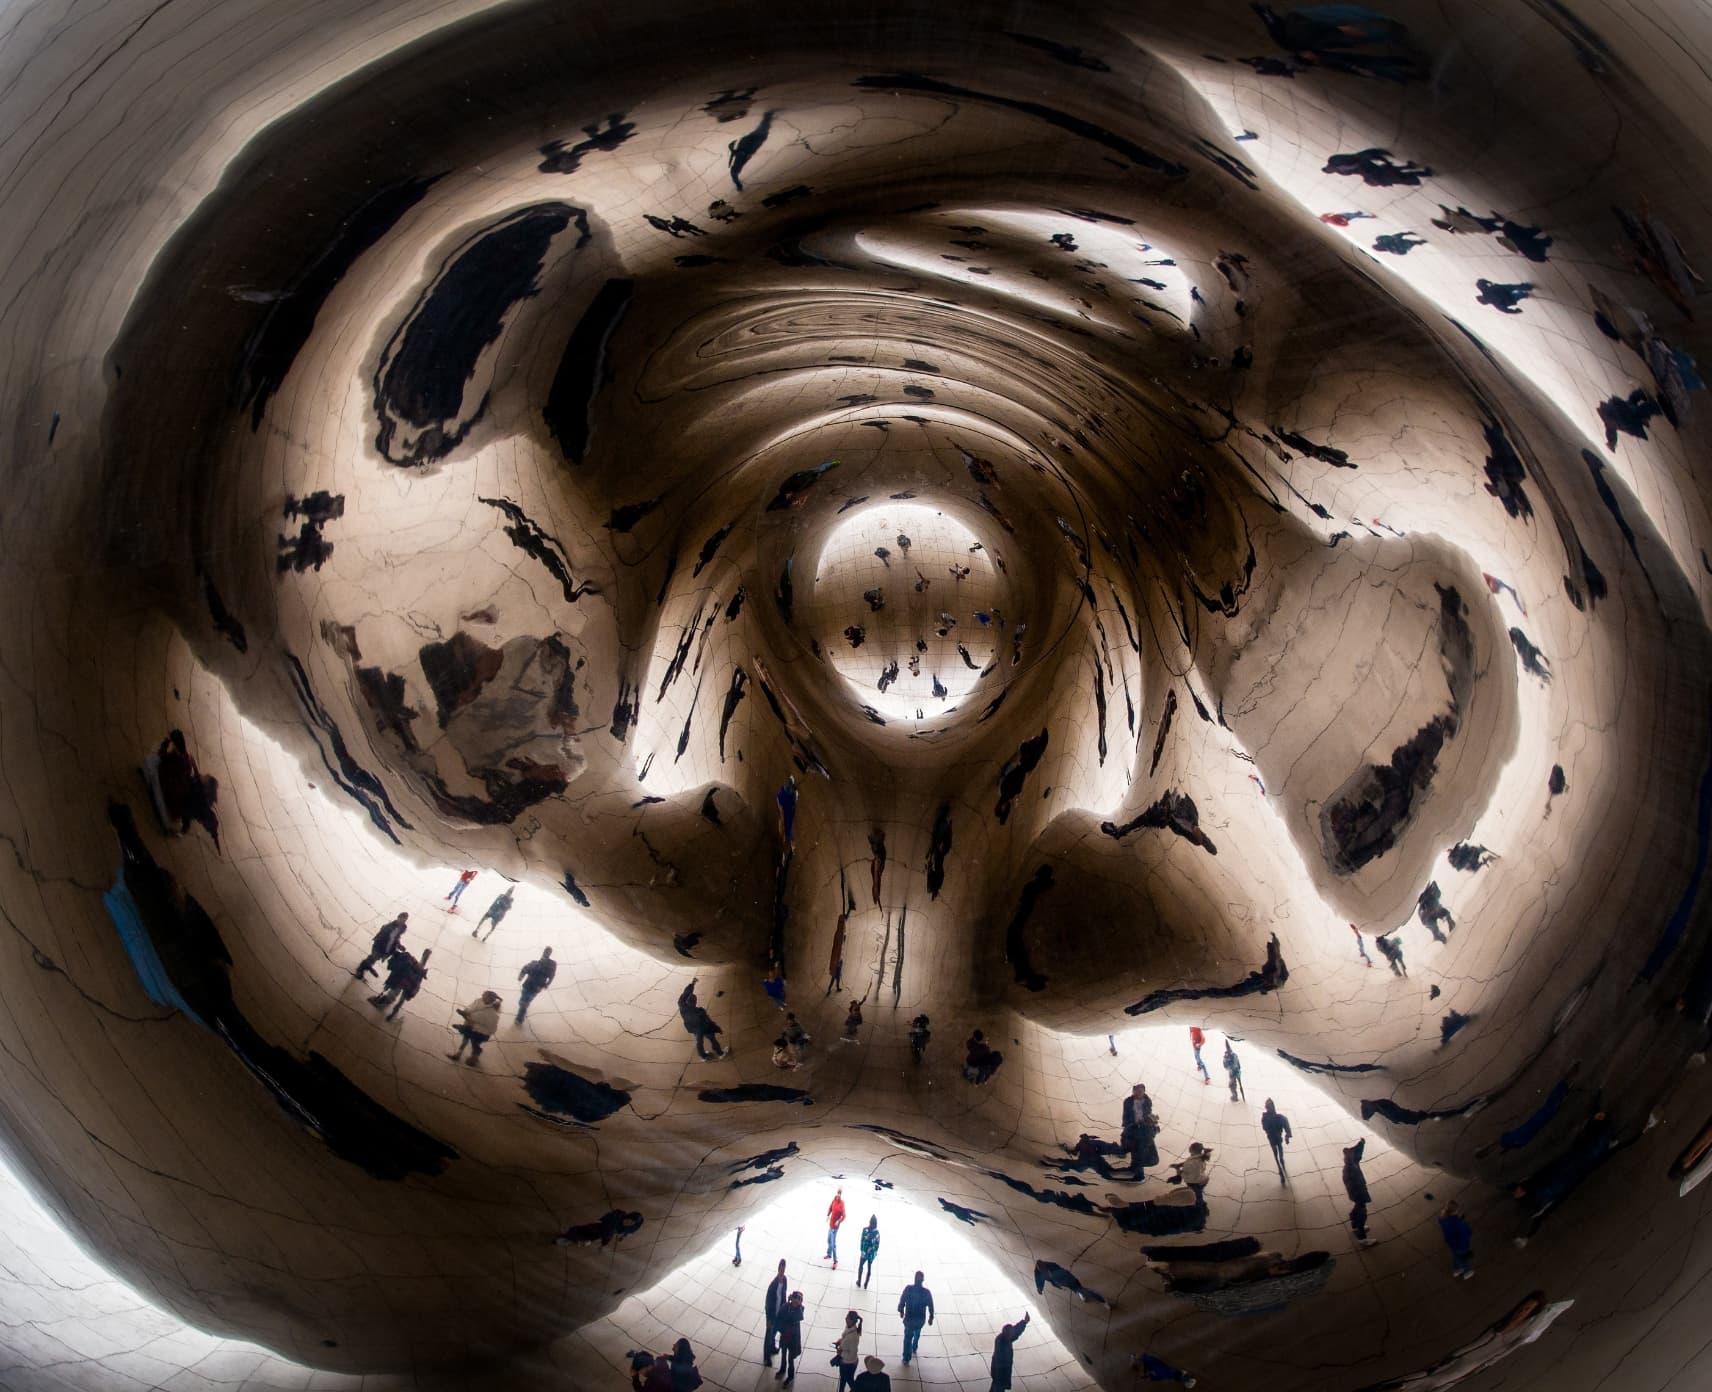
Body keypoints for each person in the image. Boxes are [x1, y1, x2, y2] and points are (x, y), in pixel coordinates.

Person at [369, 946, 431, 1021]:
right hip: (410, 983)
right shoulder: (417, 967)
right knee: (400, 999)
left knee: (395, 993)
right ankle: (392, 1013)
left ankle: (385, 1005)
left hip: (405, 980)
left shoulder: (410, 963)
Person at [446, 990, 501, 1065]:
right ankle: (460, 1053)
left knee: (473, 1041)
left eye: (484, 995)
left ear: (489, 999)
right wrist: (466, 1012)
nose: (482, 995)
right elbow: (470, 1008)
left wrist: (472, 1023)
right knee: (466, 1038)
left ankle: (474, 1056)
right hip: (470, 1025)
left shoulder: (492, 1013)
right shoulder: (479, 1001)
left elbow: (491, 1029)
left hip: (482, 1034)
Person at [353, 912, 408, 979]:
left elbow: (395, 939)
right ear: (398, 917)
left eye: (404, 920)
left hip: (386, 949)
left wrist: (399, 945)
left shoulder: (399, 930)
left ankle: (366, 967)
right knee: (373, 957)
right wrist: (380, 947)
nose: (402, 921)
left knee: (374, 959)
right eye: (401, 919)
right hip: (380, 946)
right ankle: (360, 970)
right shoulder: (389, 927)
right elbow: (383, 937)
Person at [1121, 1084, 1158, 1179]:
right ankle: (1134, 1167)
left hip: (1144, 1131)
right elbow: (1126, 1116)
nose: (1139, 1094)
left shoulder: (1147, 1101)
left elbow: (1148, 1114)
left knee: (1141, 1151)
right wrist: (1131, 1124)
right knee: (1134, 1149)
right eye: (1137, 1091)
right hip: (1133, 1128)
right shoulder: (1128, 1101)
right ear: (1133, 1091)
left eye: (1141, 1092)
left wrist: (1149, 1121)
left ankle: (1139, 1173)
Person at [897, 1270, 935, 1364]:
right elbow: (931, 1305)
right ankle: (914, 1347)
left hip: (909, 1319)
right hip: (920, 1320)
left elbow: (902, 1300)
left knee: (908, 1338)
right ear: (923, 1280)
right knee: (917, 1333)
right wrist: (931, 1317)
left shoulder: (908, 1289)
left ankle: (906, 1358)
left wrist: (901, 1310)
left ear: (914, 1279)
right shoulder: (926, 1292)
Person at [1343, 1139, 1376, 1245]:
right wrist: (1361, 1196)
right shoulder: (1351, 1170)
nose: (1357, 1157)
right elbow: (1354, 1186)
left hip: (1356, 1194)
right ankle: (1362, 1238)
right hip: (1358, 1194)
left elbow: (1357, 1154)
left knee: (1357, 1209)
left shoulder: (1350, 1164)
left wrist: (1361, 1144)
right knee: (1362, 1214)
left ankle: (1355, 1226)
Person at [988, 1313, 1031, 1392]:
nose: (1013, 1334)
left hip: (999, 1377)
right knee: (997, 1389)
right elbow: (1015, 1332)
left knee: (995, 1388)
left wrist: (1024, 1322)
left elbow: (1015, 1331)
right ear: (1008, 1334)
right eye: (1011, 1333)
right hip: (1000, 1377)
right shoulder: (1002, 1343)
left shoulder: (1004, 1338)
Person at [516, 946, 556, 1024]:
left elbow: (551, 975)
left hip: (534, 987)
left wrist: (548, 983)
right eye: (546, 951)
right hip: (531, 986)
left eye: (548, 952)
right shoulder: (536, 963)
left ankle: (519, 1019)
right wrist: (521, 976)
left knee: (524, 1002)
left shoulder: (549, 965)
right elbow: (525, 968)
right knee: (524, 1001)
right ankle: (523, 1009)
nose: (546, 953)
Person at [1439, 1198, 1475, 1278]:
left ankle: (1457, 1270)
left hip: (1452, 1244)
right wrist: (1463, 1222)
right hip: (1461, 1245)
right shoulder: (1458, 1223)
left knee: (1456, 1256)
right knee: (1464, 1259)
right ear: (1454, 1211)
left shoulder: (1443, 1219)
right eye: (1457, 1210)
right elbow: (1466, 1232)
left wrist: (1458, 1219)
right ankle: (1467, 1272)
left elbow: (1450, 1225)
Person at [775, 1290, 805, 1382]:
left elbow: (799, 1317)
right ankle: (782, 1369)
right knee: (783, 1355)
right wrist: (780, 1329)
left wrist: (798, 1306)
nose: (796, 1302)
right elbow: (779, 1316)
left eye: (798, 1300)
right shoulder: (786, 1306)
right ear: (791, 1299)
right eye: (795, 1299)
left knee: (790, 1359)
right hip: (784, 1337)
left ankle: (790, 1376)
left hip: (793, 1340)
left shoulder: (800, 1310)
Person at [763, 1260, 788, 1366]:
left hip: (779, 1314)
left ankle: (772, 1348)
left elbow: (784, 1295)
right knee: (769, 1335)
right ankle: (766, 1357)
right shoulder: (773, 1285)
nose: (782, 1272)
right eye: (781, 1269)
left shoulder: (785, 1280)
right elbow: (768, 1303)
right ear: (778, 1269)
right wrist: (769, 1319)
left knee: (774, 1333)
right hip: (772, 1315)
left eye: (783, 1269)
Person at [1261, 1099, 1293, 1181]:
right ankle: (1281, 1162)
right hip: (1278, 1138)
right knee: (1280, 1150)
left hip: (1272, 1138)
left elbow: (1264, 1128)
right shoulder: (1280, 1118)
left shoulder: (1265, 1118)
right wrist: (1287, 1136)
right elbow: (1287, 1126)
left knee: (1275, 1153)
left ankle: (1279, 1167)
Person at [1173, 1142, 1212, 1208]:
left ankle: (1202, 1208)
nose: (1189, 1147)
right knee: (1197, 1193)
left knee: (1197, 1196)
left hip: (1195, 1183)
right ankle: (1198, 1201)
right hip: (1201, 1179)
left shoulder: (1192, 1163)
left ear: (1192, 1150)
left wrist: (1178, 1170)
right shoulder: (1200, 1157)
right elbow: (1188, 1162)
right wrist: (1180, 1165)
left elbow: (1190, 1177)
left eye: (1190, 1146)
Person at [833, 1310, 863, 1391]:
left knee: (848, 1380)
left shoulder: (851, 1337)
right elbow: (844, 1338)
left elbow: (840, 1350)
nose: (845, 1319)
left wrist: (838, 1347)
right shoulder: (853, 1328)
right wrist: (839, 1342)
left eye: (847, 1318)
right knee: (845, 1379)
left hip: (847, 1363)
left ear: (852, 1321)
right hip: (853, 1361)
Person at [1133, 1352, 1197, 1387]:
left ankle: (1136, 1361)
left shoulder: (1180, 1376)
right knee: (1149, 1363)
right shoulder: (1180, 1376)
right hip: (1165, 1371)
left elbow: (1180, 1373)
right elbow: (1180, 1373)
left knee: (1149, 1363)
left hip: (1165, 1372)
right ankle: (1136, 1361)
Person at [857, 1215, 880, 1288]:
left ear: (869, 1222)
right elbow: (877, 1245)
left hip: (864, 1252)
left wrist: (862, 1249)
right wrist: (874, 1251)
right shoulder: (877, 1233)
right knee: (869, 1268)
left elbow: (862, 1240)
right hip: (871, 1254)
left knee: (861, 1266)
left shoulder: (865, 1230)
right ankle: (866, 1284)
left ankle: (859, 1281)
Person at [826, 1187, 847, 1267]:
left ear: (841, 1194)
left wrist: (839, 1221)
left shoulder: (842, 1203)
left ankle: (835, 1261)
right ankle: (829, 1254)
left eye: (840, 1193)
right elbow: (830, 1207)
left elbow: (844, 1215)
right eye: (837, 1193)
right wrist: (828, 1215)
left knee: (833, 1244)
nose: (838, 1194)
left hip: (835, 1227)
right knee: (828, 1240)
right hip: (830, 1225)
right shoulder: (834, 1200)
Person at [828, 913, 847, 993]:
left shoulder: (841, 935)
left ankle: (837, 987)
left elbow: (843, 941)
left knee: (838, 976)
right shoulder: (838, 935)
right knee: (834, 976)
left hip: (839, 959)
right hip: (837, 960)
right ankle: (829, 989)